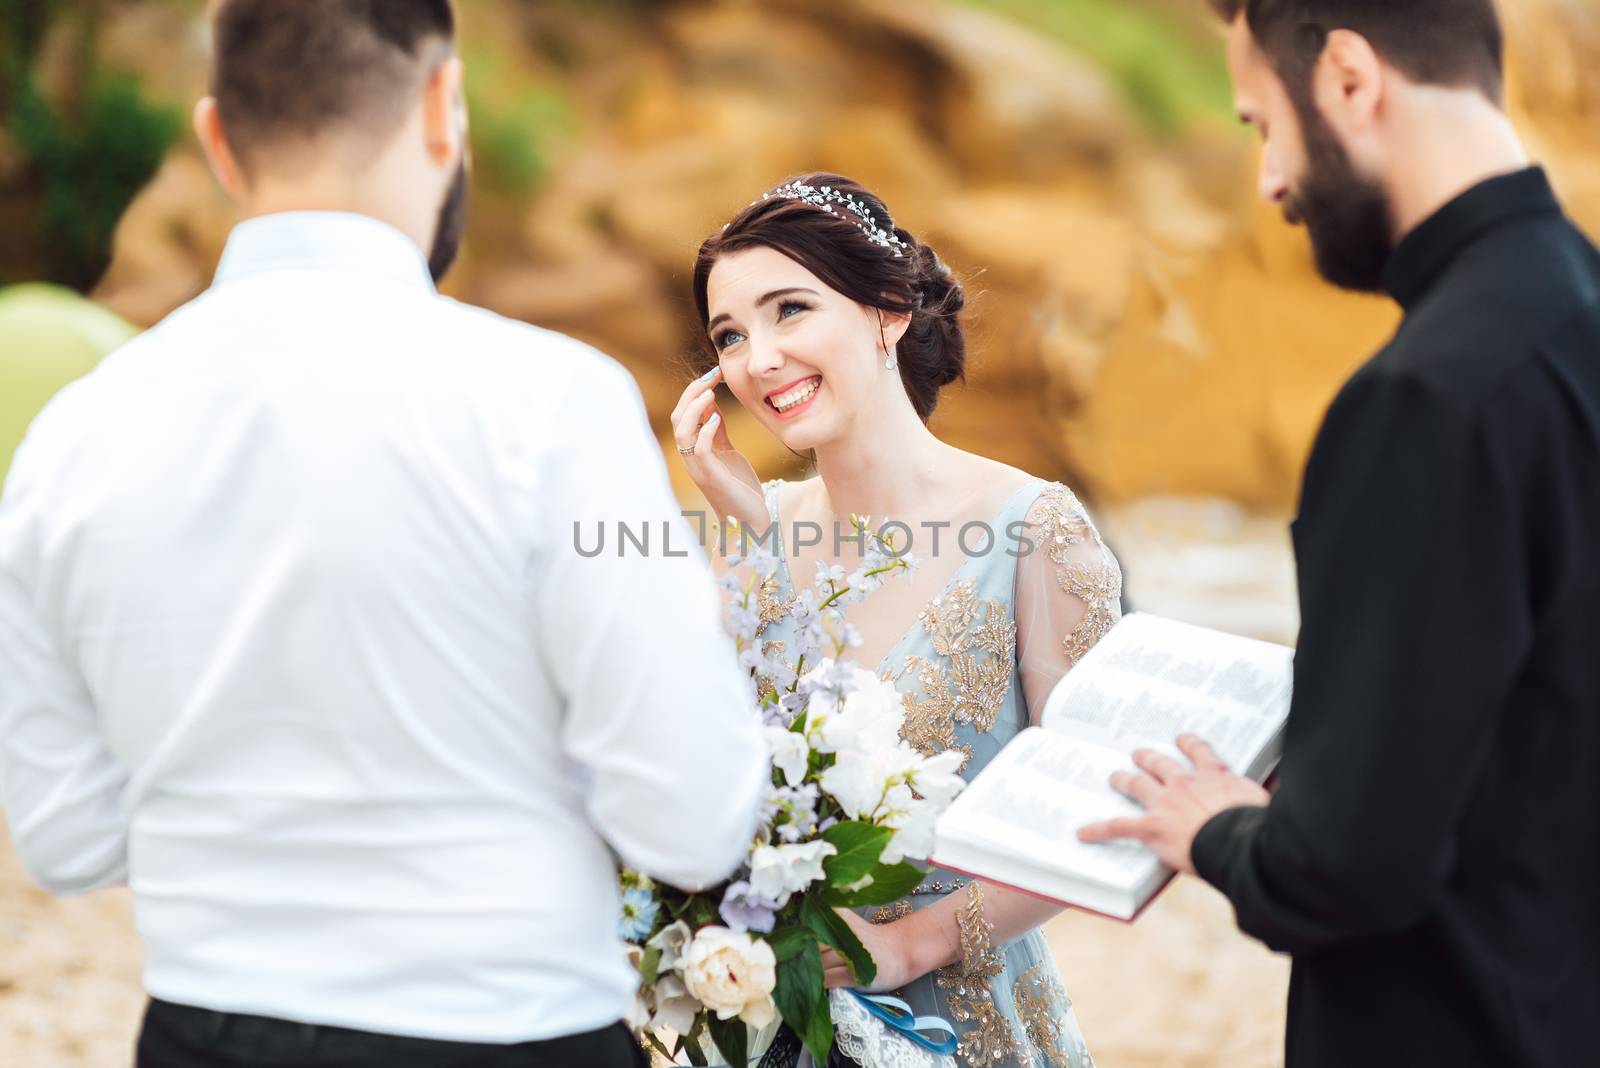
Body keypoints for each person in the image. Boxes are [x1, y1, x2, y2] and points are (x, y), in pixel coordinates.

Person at [0, 2, 767, 1066]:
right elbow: (690, 818)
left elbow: (66, 839)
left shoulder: (70, 437)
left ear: (219, 139)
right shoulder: (554, 406)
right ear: (443, 107)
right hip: (510, 1029)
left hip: (199, 1032)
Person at [1078, 3, 1600, 1067]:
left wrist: (1215, 828)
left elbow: (1347, 871)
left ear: (1350, 79)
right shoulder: (1576, 310)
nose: (1269, 181)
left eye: (1263, 123)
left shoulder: (1424, 397)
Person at [674, 173, 1123, 1068]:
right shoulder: (761, 530)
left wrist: (912, 942)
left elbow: (1098, 808)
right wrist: (754, 536)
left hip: (959, 1025)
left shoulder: (1034, 528)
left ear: (887, 312)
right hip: (773, 1023)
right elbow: (723, 776)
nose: (757, 358)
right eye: (730, 335)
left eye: (789, 310)